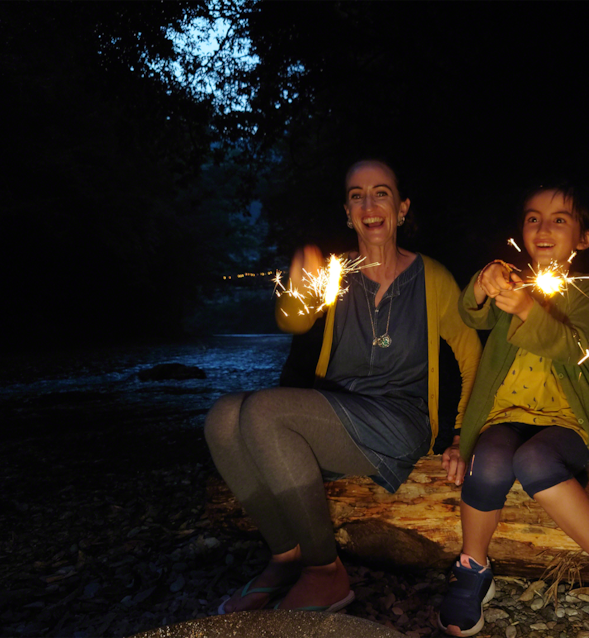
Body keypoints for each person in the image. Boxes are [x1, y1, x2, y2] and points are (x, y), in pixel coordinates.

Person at [204, 159, 482, 614]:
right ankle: (285, 555)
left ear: (402, 208)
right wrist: (297, 288)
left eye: (381, 193)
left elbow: (473, 357)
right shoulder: (335, 274)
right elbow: (293, 320)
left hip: (400, 419)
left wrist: (462, 436)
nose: (369, 204)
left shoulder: (432, 277)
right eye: (357, 195)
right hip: (336, 411)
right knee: (221, 417)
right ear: (347, 212)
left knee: (263, 412)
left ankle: (324, 572)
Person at [435, 183, 589, 638]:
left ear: (584, 238)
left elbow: (571, 345)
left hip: (564, 422)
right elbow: (472, 314)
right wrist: (484, 281)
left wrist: (527, 310)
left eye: (560, 219)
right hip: (503, 415)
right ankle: (473, 565)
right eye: (533, 217)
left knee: (533, 459)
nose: (542, 227)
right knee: (490, 458)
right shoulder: (512, 280)